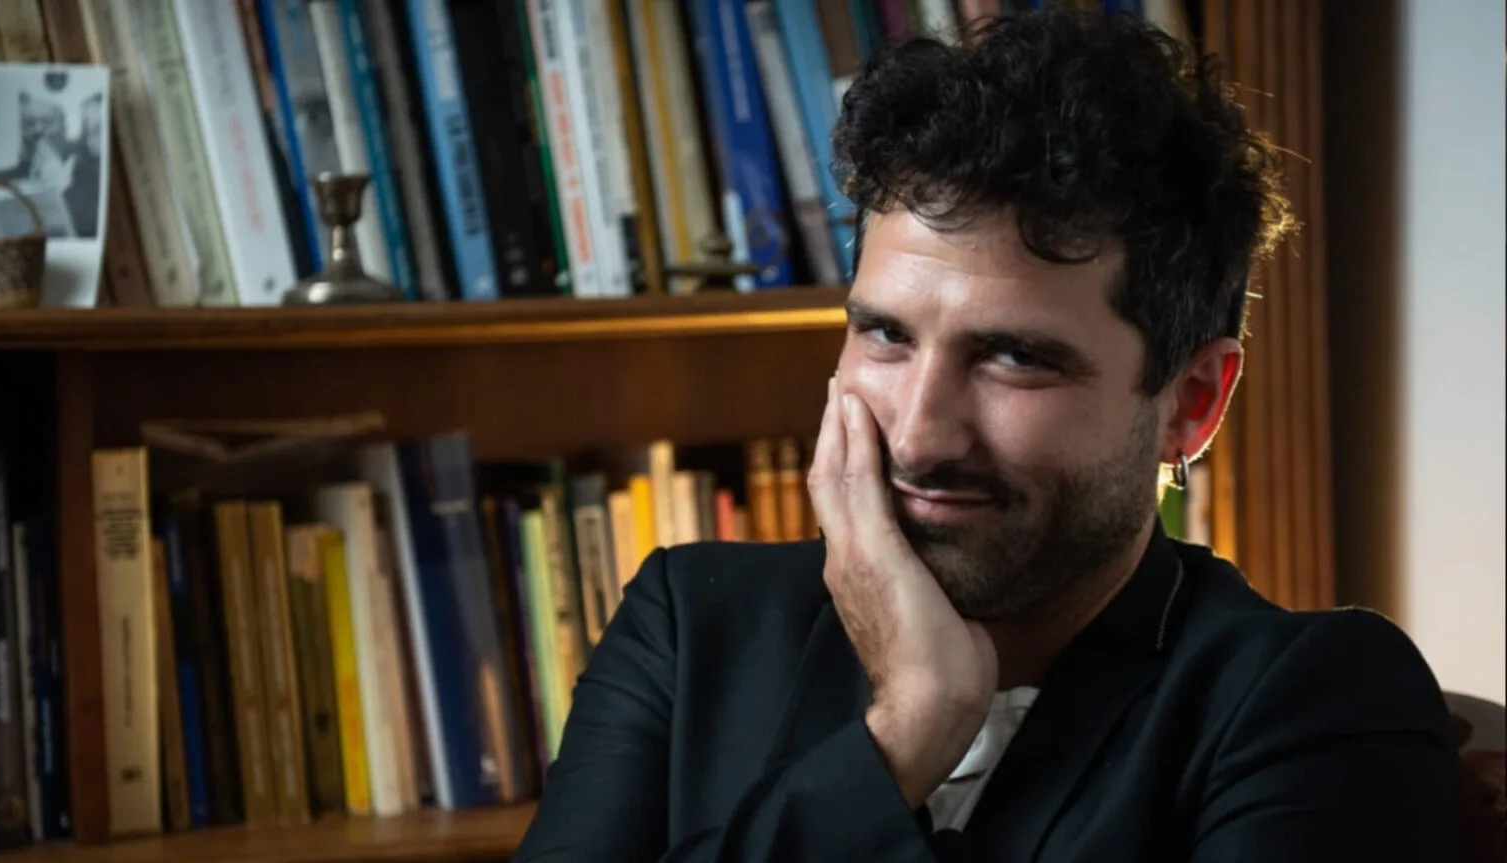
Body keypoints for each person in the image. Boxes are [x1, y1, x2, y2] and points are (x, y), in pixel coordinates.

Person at [513, 7, 1459, 861]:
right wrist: (906, 729)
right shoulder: (690, 626)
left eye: (1014, 357)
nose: (920, 434)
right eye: (886, 335)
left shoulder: (1313, 701)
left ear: (1192, 402)